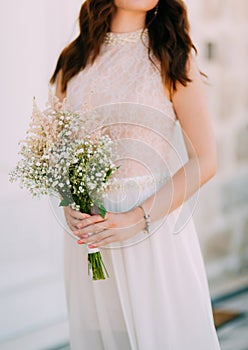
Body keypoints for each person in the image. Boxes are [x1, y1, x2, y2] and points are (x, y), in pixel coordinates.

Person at [50, 1, 221, 349]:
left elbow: (205, 159)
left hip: (152, 231)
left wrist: (137, 218)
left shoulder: (171, 55)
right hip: (91, 236)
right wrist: (69, 199)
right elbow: (57, 149)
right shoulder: (74, 59)